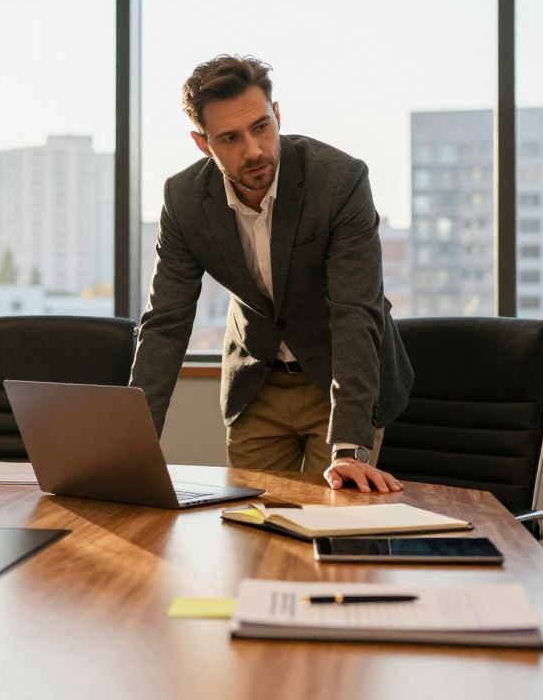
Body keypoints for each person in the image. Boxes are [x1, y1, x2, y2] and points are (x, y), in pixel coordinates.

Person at [130, 55, 414, 493]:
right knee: (253, 535)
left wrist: (349, 447)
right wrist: (131, 445)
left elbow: (355, 312)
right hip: (257, 382)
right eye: (229, 138)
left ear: (277, 115)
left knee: (334, 530)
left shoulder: (339, 180)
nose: (254, 150)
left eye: (261, 126)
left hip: (337, 378)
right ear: (203, 144)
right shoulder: (184, 199)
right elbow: (165, 323)